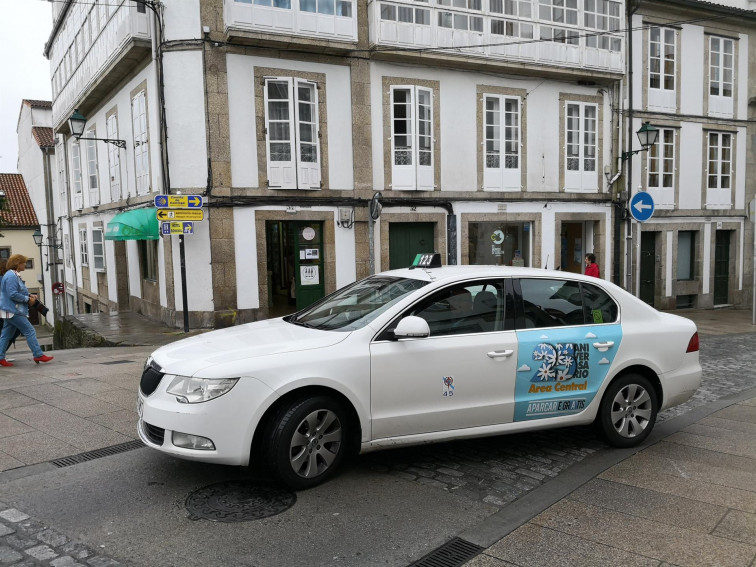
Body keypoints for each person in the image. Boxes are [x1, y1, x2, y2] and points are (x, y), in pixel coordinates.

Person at [0, 254, 53, 367]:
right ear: (17, 264)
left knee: (5, 335)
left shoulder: (12, 275)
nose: (25, 264)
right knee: (30, 331)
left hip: (9, 310)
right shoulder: (11, 276)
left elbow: (15, 291)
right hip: (14, 310)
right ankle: (38, 354)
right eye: (23, 263)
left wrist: (29, 295)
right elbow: (12, 294)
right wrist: (28, 299)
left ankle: (0, 357)